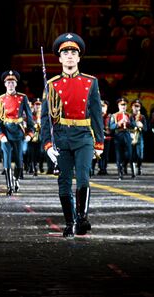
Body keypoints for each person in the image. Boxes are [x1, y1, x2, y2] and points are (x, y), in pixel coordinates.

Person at [41, 32, 104, 238]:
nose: (69, 56)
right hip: (62, 137)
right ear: (59, 58)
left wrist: (99, 142)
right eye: (65, 52)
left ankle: (82, 217)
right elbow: (45, 119)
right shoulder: (52, 85)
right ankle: (70, 222)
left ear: (79, 57)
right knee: (64, 182)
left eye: (73, 52)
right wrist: (48, 144)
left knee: (84, 178)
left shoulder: (90, 82)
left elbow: (96, 114)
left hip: (84, 136)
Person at [0, 70, 34, 195]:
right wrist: (0, 134)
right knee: (7, 158)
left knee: (19, 160)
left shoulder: (22, 97)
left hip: (18, 131)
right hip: (6, 130)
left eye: (12, 82)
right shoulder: (0, 99)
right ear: (5, 84)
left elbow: (29, 116)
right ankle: (9, 186)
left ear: (16, 84)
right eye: (8, 82)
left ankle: (15, 179)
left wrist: (30, 133)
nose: (10, 85)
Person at [110, 97, 132, 180]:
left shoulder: (129, 115)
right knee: (119, 155)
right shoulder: (114, 115)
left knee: (128, 154)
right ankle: (120, 173)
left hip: (127, 135)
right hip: (118, 135)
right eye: (121, 105)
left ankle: (125, 165)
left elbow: (133, 125)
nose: (123, 106)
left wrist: (129, 122)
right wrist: (119, 123)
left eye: (124, 105)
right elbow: (111, 126)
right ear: (118, 106)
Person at [130, 99, 148, 177]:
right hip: (131, 137)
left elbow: (146, 129)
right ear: (132, 107)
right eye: (135, 106)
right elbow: (128, 125)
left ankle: (139, 166)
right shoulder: (129, 116)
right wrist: (135, 124)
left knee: (140, 155)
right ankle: (132, 170)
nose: (136, 108)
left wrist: (142, 126)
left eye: (138, 106)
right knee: (131, 154)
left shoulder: (142, 117)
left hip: (139, 137)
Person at [98, 100, 112, 175]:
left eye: (104, 106)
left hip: (107, 138)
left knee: (105, 155)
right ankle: (95, 168)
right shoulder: (96, 115)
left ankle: (104, 168)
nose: (102, 108)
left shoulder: (109, 116)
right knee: (97, 154)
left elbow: (111, 126)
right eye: (101, 106)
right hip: (98, 137)